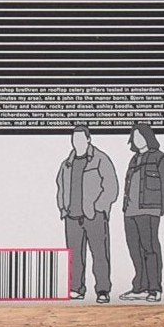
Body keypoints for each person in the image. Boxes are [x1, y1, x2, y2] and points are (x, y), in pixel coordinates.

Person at [55, 123, 118, 302]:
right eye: (74, 138)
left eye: (81, 138)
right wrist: (63, 208)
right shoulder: (66, 164)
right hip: (72, 218)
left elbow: (111, 187)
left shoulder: (100, 159)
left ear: (88, 139)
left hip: (94, 217)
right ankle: (76, 288)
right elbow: (60, 187)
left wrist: (99, 207)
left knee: (100, 254)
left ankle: (103, 291)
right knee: (74, 256)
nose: (77, 142)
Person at [119, 122, 164, 302]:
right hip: (130, 213)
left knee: (150, 249)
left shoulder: (161, 158)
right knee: (135, 250)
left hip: (149, 211)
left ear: (148, 137)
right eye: (134, 137)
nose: (137, 139)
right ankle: (140, 287)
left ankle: (154, 289)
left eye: (140, 135)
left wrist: (159, 208)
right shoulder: (134, 160)